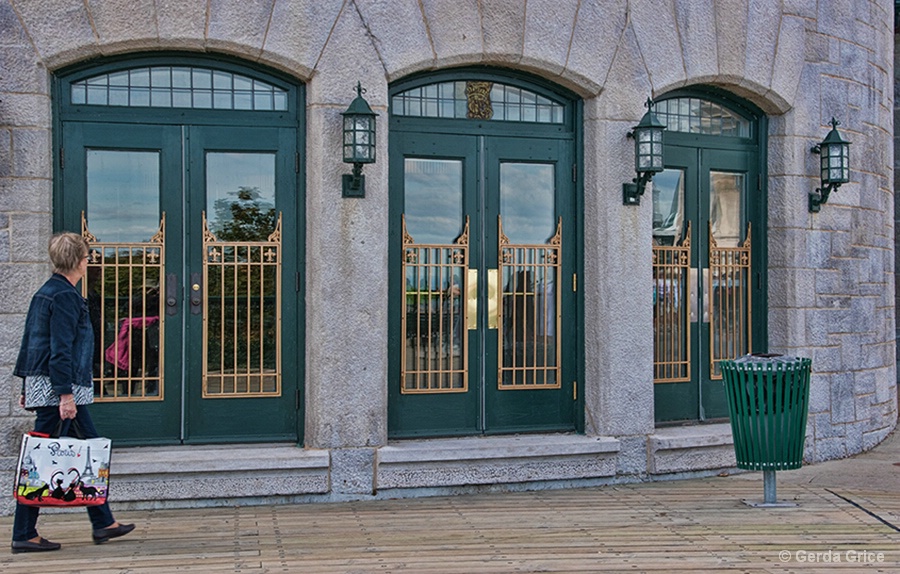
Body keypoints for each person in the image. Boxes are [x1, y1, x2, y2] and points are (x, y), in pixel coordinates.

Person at [11, 232, 135, 554]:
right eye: (87, 256)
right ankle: (24, 532)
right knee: (39, 460)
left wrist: (28, 384)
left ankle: (103, 522)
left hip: (55, 387)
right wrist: (64, 396)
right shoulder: (65, 296)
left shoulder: (48, 292)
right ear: (81, 261)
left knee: (90, 448)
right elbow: (59, 349)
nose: (88, 261)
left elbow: (32, 342)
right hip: (61, 390)